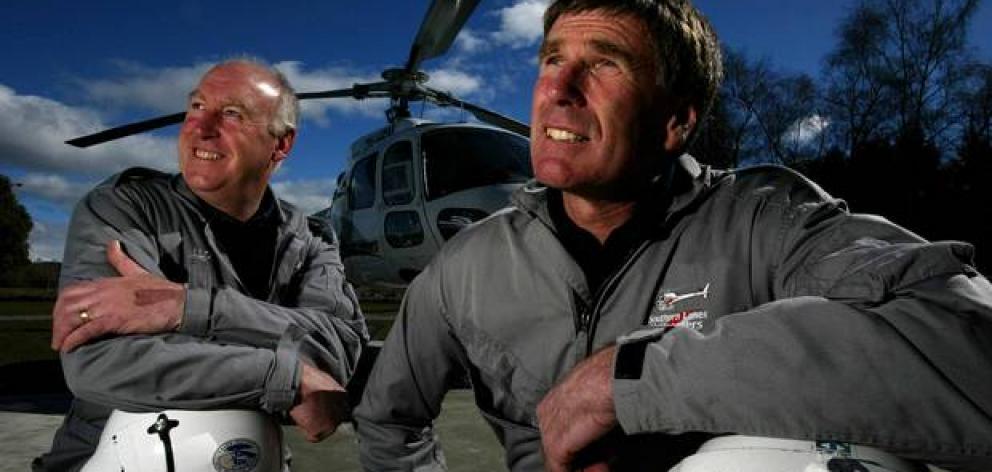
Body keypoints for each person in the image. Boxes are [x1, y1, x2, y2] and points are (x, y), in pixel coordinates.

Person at [353, 1, 992, 471]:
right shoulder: (467, 262)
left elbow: (969, 339)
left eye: (603, 64)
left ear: (675, 123)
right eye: (552, 60)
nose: (557, 90)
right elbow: (389, 417)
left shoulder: (762, 222)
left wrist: (630, 379)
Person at [33, 59, 369, 472]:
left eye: (232, 113)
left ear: (280, 145)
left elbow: (335, 347)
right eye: (196, 107)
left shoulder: (311, 239)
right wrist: (283, 377)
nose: (201, 127)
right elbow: (100, 358)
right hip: (108, 453)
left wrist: (187, 308)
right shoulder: (123, 209)